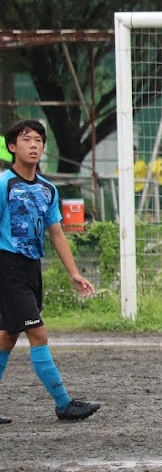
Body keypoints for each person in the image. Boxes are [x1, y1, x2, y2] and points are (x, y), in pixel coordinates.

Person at [0, 119, 100, 424]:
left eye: (38, 140)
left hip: (32, 269)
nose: (33, 145)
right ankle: (64, 404)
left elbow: (56, 233)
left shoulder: (48, 189)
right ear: (12, 147)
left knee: (7, 337)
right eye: (26, 139)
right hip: (7, 266)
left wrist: (74, 273)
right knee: (38, 332)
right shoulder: (4, 184)